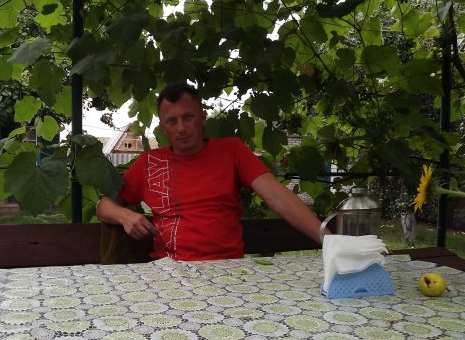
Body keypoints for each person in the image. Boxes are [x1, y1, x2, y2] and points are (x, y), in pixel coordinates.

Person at [96, 82, 325, 261]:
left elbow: (277, 197)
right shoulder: (149, 161)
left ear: (202, 118)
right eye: (172, 121)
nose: (181, 128)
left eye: (188, 117)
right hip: (168, 271)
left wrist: (330, 240)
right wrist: (125, 216)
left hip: (225, 269)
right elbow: (104, 206)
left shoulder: (232, 150)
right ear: (163, 127)